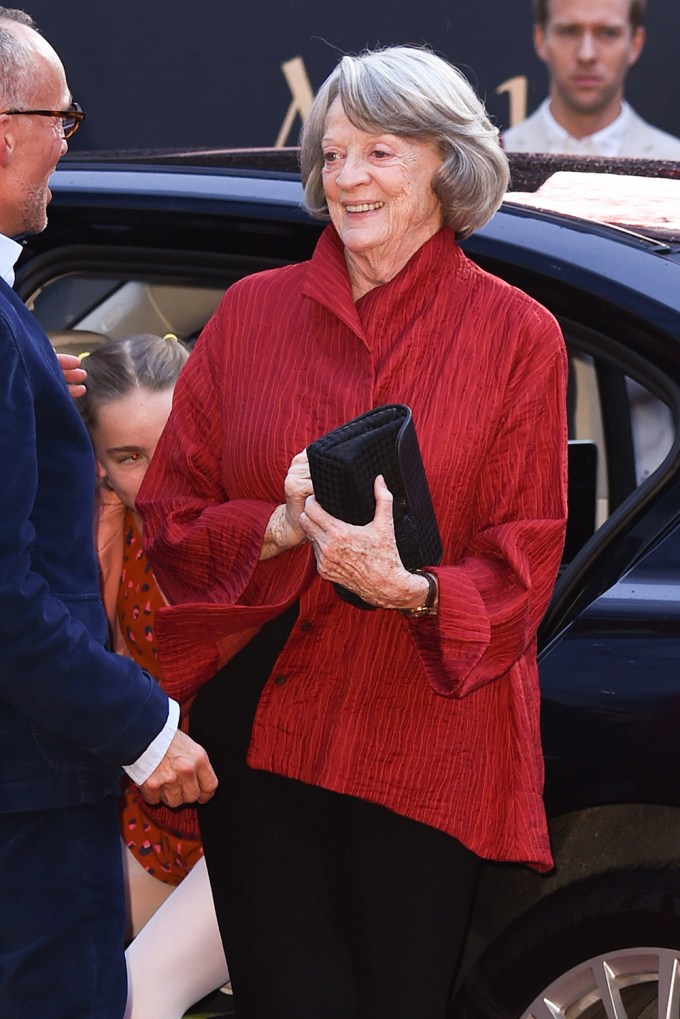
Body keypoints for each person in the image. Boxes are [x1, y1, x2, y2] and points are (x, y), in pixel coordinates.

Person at [138, 45, 568, 1019]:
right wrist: (279, 526)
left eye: (378, 151)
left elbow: (523, 554)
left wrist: (410, 587)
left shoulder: (515, 336)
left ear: (443, 165)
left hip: (422, 731)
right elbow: (167, 522)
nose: (345, 178)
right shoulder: (249, 316)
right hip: (265, 730)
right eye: (332, 155)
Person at [0, 10, 217, 1019]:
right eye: (62, 118)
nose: (67, 142)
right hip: (33, 789)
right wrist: (145, 727)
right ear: (6, 127)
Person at [74, 333, 229, 1016]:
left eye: (169, 443)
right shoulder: (102, 537)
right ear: (101, 467)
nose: (157, 471)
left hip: (249, 825)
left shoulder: (252, 524)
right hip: (150, 821)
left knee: (138, 997)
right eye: (128, 457)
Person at [502, 0, 680, 158]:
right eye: (569, 31)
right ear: (541, 39)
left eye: (608, 33)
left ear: (635, 43)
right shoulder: (497, 158)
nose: (586, 54)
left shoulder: (674, 163)